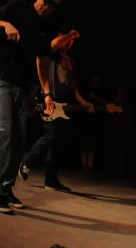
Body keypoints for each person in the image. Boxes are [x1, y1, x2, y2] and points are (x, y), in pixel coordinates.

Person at [0, 0, 63, 213]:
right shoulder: (17, 7)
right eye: (45, 1)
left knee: (18, 140)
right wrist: (6, 24)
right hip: (1, 80)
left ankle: (7, 189)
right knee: (4, 132)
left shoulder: (46, 27)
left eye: (52, 6)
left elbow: (42, 63)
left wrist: (47, 94)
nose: (46, 7)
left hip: (23, 88)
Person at [20, 29, 93, 192]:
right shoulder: (51, 53)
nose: (70, 43)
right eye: (67, 39)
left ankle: (51, 180)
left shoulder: (69, 60)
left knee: (57, 141)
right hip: (49, 100)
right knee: (52, 134)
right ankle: (27, 161)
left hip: (63, 105)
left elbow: (73, 86)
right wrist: (71, 34)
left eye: (72, 41)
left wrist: (84, 102)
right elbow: (53, 44)